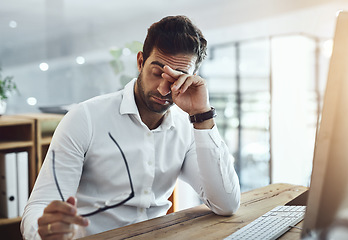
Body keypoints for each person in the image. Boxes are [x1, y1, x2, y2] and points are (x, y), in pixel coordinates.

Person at [21, 15, 240, 240]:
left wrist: (202, 115)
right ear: (140, 62)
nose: (165, 89)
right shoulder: (84, 118)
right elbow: (39, 206)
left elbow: (226, 204)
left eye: (177, 79)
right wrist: (44, 231)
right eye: (157, 73)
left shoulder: (188, 127)